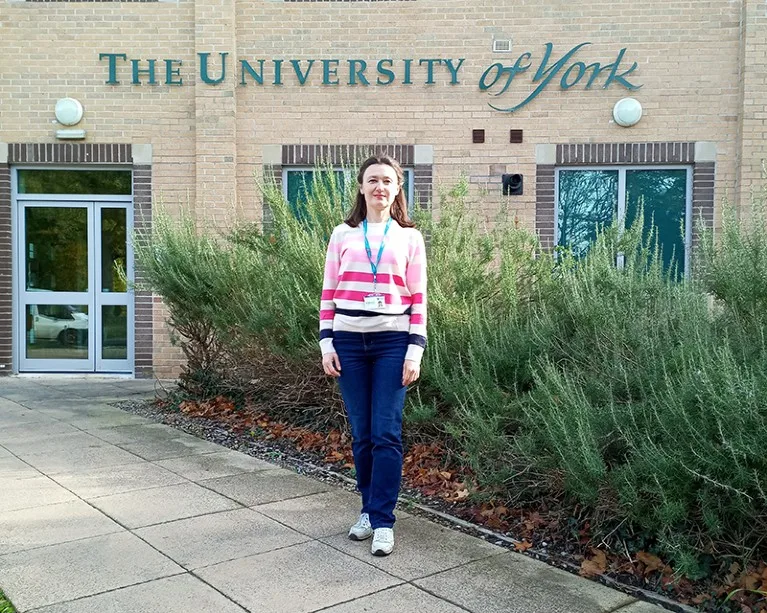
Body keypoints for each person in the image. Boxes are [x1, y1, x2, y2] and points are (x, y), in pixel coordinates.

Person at [319, 155, 427, 556]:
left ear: (398, 188)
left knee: (386, 432)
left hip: (391, 345)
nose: (380, 187)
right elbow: (328, 292)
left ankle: (382, 520)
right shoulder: (342, 235)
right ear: (361, 188)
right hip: (348, 344)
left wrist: (415, 349)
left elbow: (419, 299)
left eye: (388, 181)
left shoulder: (410, 238)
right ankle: (367, 509)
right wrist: (326, 343)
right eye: (372, 180)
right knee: (362, 433)